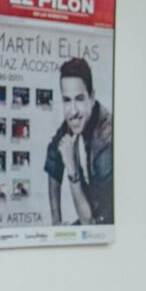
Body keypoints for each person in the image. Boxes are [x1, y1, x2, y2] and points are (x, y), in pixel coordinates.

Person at [44, 57, 112, 225]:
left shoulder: (105, 143)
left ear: (91, 98)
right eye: (67, 100)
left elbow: (91, 223)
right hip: (92, 217)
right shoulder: (76, 121)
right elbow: (53, 157)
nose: (73, 111)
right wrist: (56, 221)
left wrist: (72, 168)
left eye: (79, 99)